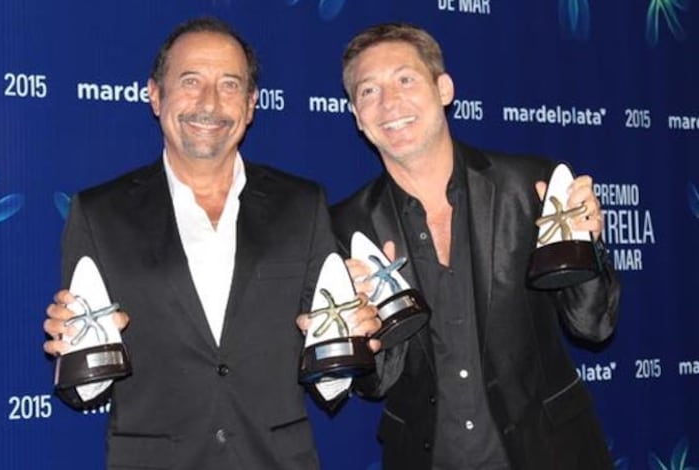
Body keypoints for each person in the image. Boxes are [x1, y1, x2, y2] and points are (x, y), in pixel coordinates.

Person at [42, 17, 379, 470]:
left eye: (229, 84)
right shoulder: (99, 213)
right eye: (190, 81)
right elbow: (86, 387)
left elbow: (329, 375)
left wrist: (354, 336)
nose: (209, 103)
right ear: (155, 95)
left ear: (252, 104)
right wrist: (70, 346)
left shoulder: (302, 204)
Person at [329, 22, 621, 469]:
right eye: (368, 91)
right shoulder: (346, 225)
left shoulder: (529, 187)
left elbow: (593, 326)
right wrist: (362, 329)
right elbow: (376, 384)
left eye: (405, 79)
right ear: (356, 116)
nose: (389, 102)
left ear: (444, 89)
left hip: (552, 453)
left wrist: (589, 245)